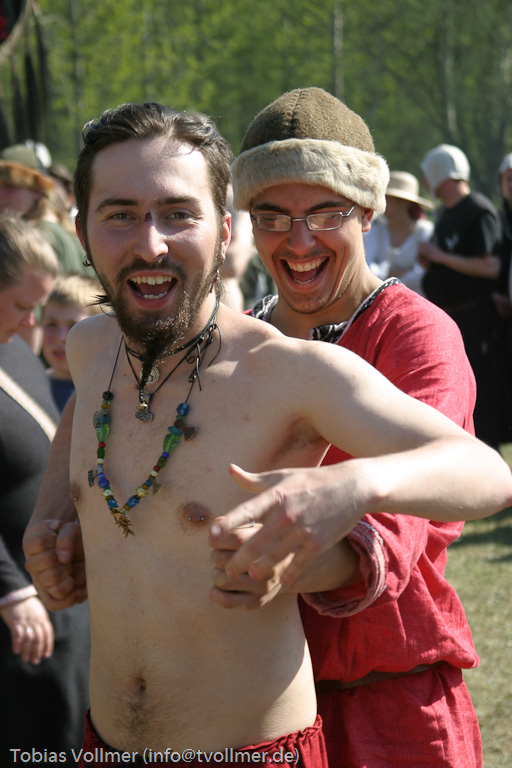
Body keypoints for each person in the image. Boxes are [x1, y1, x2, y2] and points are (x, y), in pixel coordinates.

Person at [21, 101, 512, 768]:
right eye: (275, 217)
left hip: (370, 696)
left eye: (177, 213)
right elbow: (91, 403)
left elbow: (474, 475)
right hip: (106, 742)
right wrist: (56, 510)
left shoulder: (297, 366)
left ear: (223, 231)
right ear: (81, 229)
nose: (151, 242)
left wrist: (344, 490)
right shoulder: (93, 346)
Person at [205, 89, 506, 768]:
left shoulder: (416, 334)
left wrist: (282, 550)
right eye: (272, 216)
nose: (299, 241)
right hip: (257, 707)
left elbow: (409, 520)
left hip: (389, 704)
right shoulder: (236, 342)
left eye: (326, 213)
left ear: (368, 211)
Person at [0, 215, 90, 759]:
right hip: (19, 618)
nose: (32, 321)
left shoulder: (14, 344)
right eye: (20, 305)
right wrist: (10, 591)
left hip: (58, 599)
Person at [418, 143, 512, 448]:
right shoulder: (446, 213)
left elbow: (490, 266)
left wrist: (440, 257)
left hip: (477, 319)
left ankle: (489, 467)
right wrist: (433, 263)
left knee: (483, 401)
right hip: (454, 318)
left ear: (441, 173)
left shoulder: (478, 211)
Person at [364, 170, 433, 294]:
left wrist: (386, 275)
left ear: (403, 202)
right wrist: (397, 273)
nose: (381, 202)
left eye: (387, 197)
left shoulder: (424, 231)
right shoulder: (375, 230)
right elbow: (366, 269)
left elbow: (421, 274)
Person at [41, 274, 102, 412]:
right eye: (51, 324)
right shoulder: (27, 387)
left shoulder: (112, 391)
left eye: (74, 326)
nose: (60, 338)